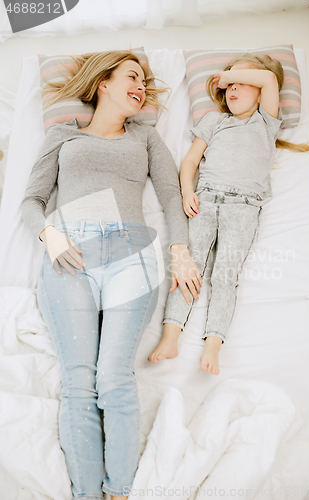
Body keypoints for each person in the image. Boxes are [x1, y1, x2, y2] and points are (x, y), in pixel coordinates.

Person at [20, 50, 202, 500]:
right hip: (70, 254)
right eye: (132, 76)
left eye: (145, 82)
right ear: (103, 83)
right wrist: (49, 235)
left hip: (131, 254)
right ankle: (86, 495)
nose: (141, 87)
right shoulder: (63, 134)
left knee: (114, 377)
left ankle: (119, 492)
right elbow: (32, 200)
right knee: (78, 380)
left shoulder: (145, 137)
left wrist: (180, 251)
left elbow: (170, 192)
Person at [148, 53, 309, 376]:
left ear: (260, 90)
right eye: (229, 85)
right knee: (189, 270)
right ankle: (171, 336)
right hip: (206, 201)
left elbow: (268, 79)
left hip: (244, 207)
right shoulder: (213, 121)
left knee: (224, 276)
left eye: (242, 83)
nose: (233, 89)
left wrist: (226, 75)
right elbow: (190, 163)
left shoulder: (265, 121)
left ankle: (213, 342)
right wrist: (187, 191)